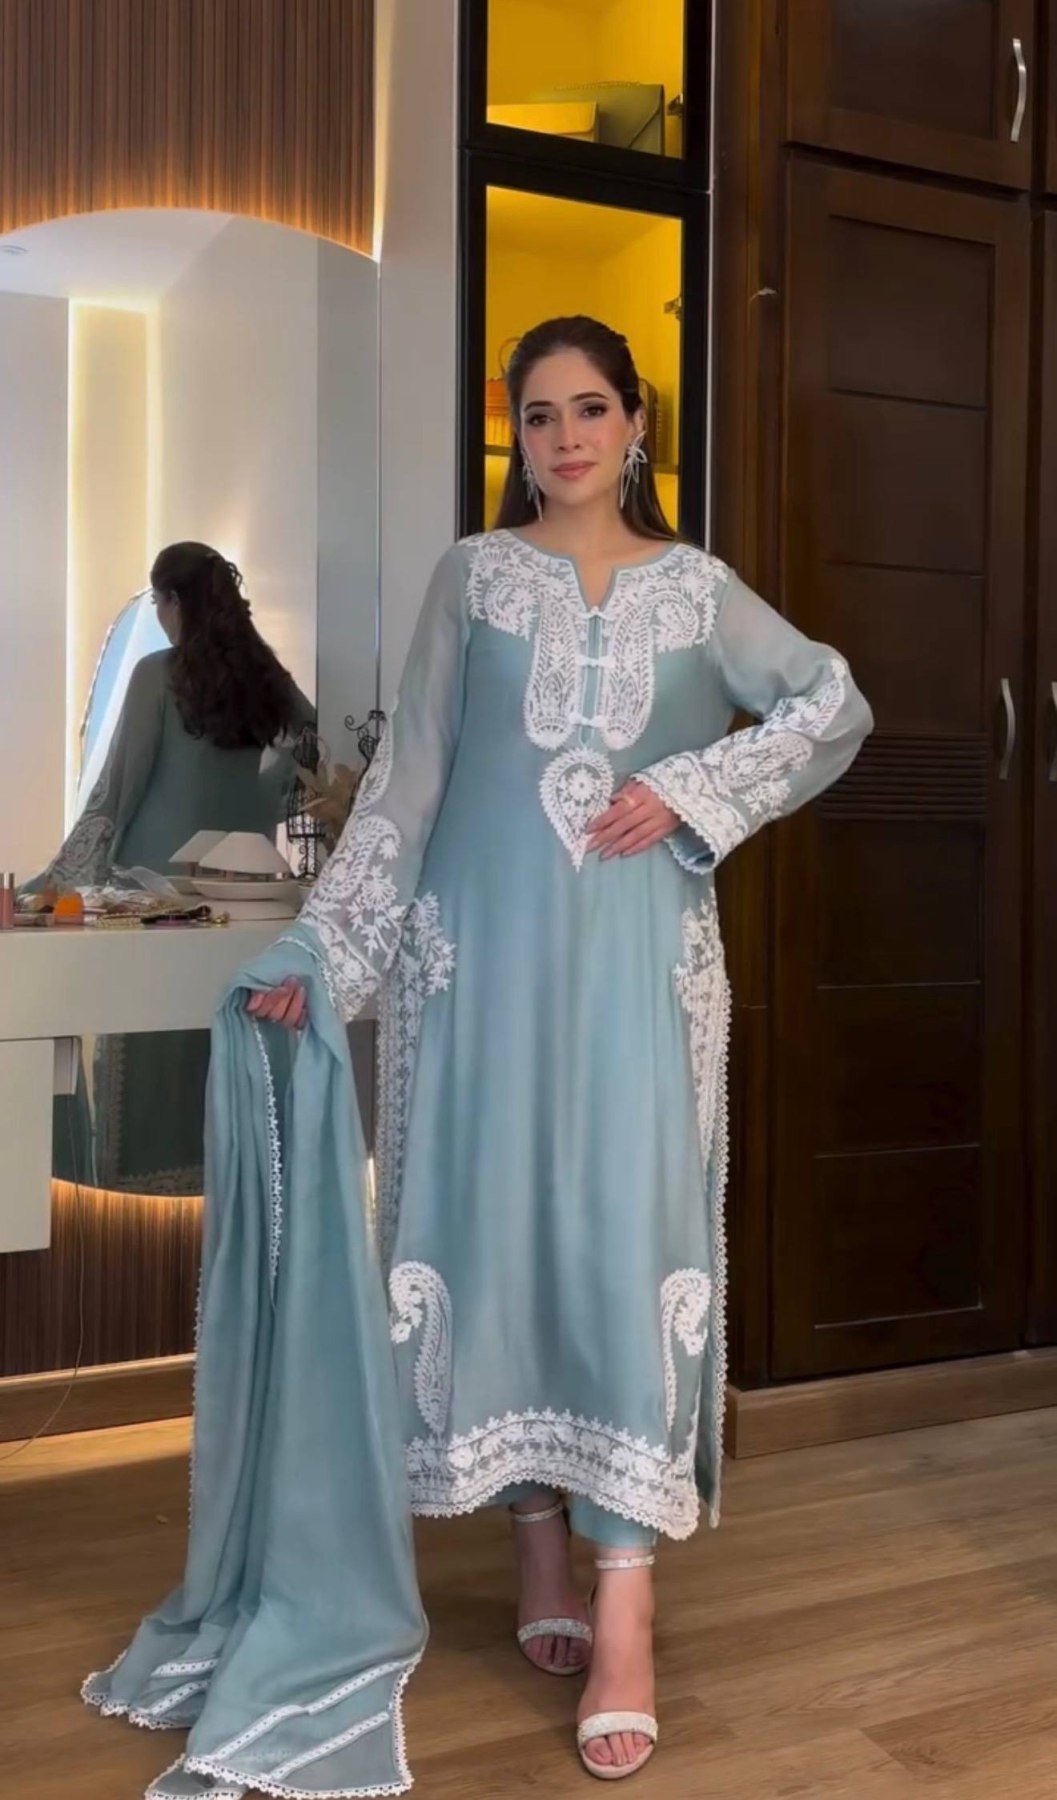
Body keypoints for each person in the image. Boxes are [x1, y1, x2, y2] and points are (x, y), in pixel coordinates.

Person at [248, 315, 873, 1780]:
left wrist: (696, 785)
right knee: (497, 1238)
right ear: (516, 438)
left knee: (619, 1238)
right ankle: (537, 1545)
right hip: (474, 980)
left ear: (637, 423)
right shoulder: (473, 578)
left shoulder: (698, 591)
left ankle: (625, 1602)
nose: (567, 437)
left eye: (590, 409)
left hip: (636, 985)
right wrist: (318, 952)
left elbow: (832, 702)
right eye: (539, 416)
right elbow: (407, 786)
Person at [36, 541, 314, 1193]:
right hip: (241, 904)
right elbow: (310, 757)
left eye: (160, 603)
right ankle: (221, 1192)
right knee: (223, 1046)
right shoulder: (267, 680)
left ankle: (138, 1201)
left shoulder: (157, 675)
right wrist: (256, 812)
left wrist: (54, 880)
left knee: (152, 1052)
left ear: (174, 602)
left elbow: (118, 790)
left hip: (154, 901)